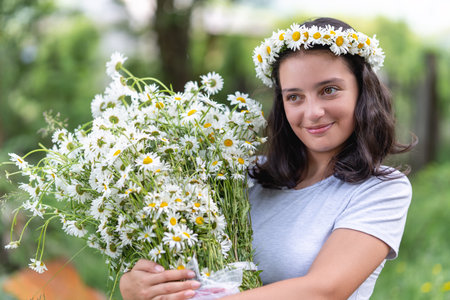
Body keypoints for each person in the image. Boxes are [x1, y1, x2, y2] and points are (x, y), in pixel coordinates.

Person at [119, 17, 416, 300]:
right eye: (294, 96)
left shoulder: (382, 190)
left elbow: (324, 291)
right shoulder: (243, 178)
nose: (312, 112)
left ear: (363, 92)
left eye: (329, 90)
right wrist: (140, 284)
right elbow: (186, 256)